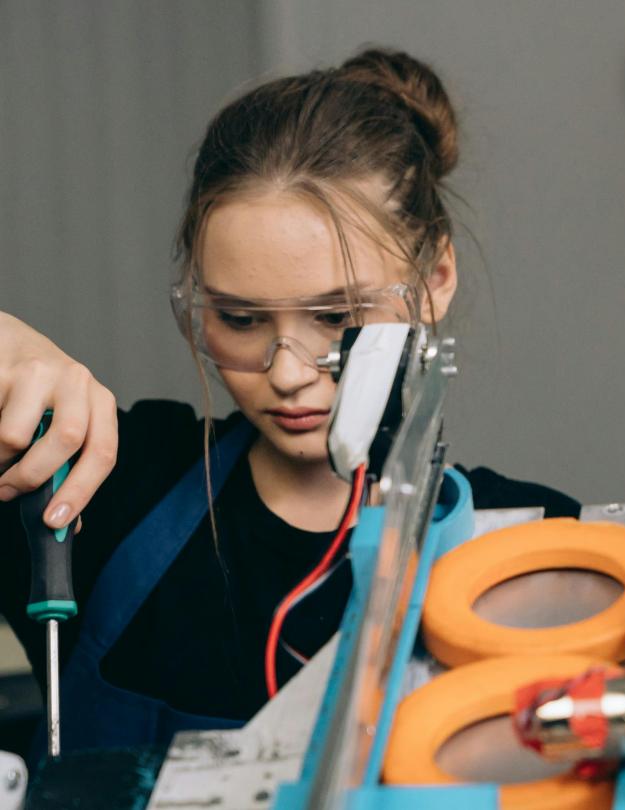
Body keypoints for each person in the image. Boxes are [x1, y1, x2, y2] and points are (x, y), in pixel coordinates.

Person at [0, 49, 578, 757]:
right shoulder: (98, 480)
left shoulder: (541, 544)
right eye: (241, 320)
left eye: (336, 319)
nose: (287, 372)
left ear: (435, 280)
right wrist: (10, 345)